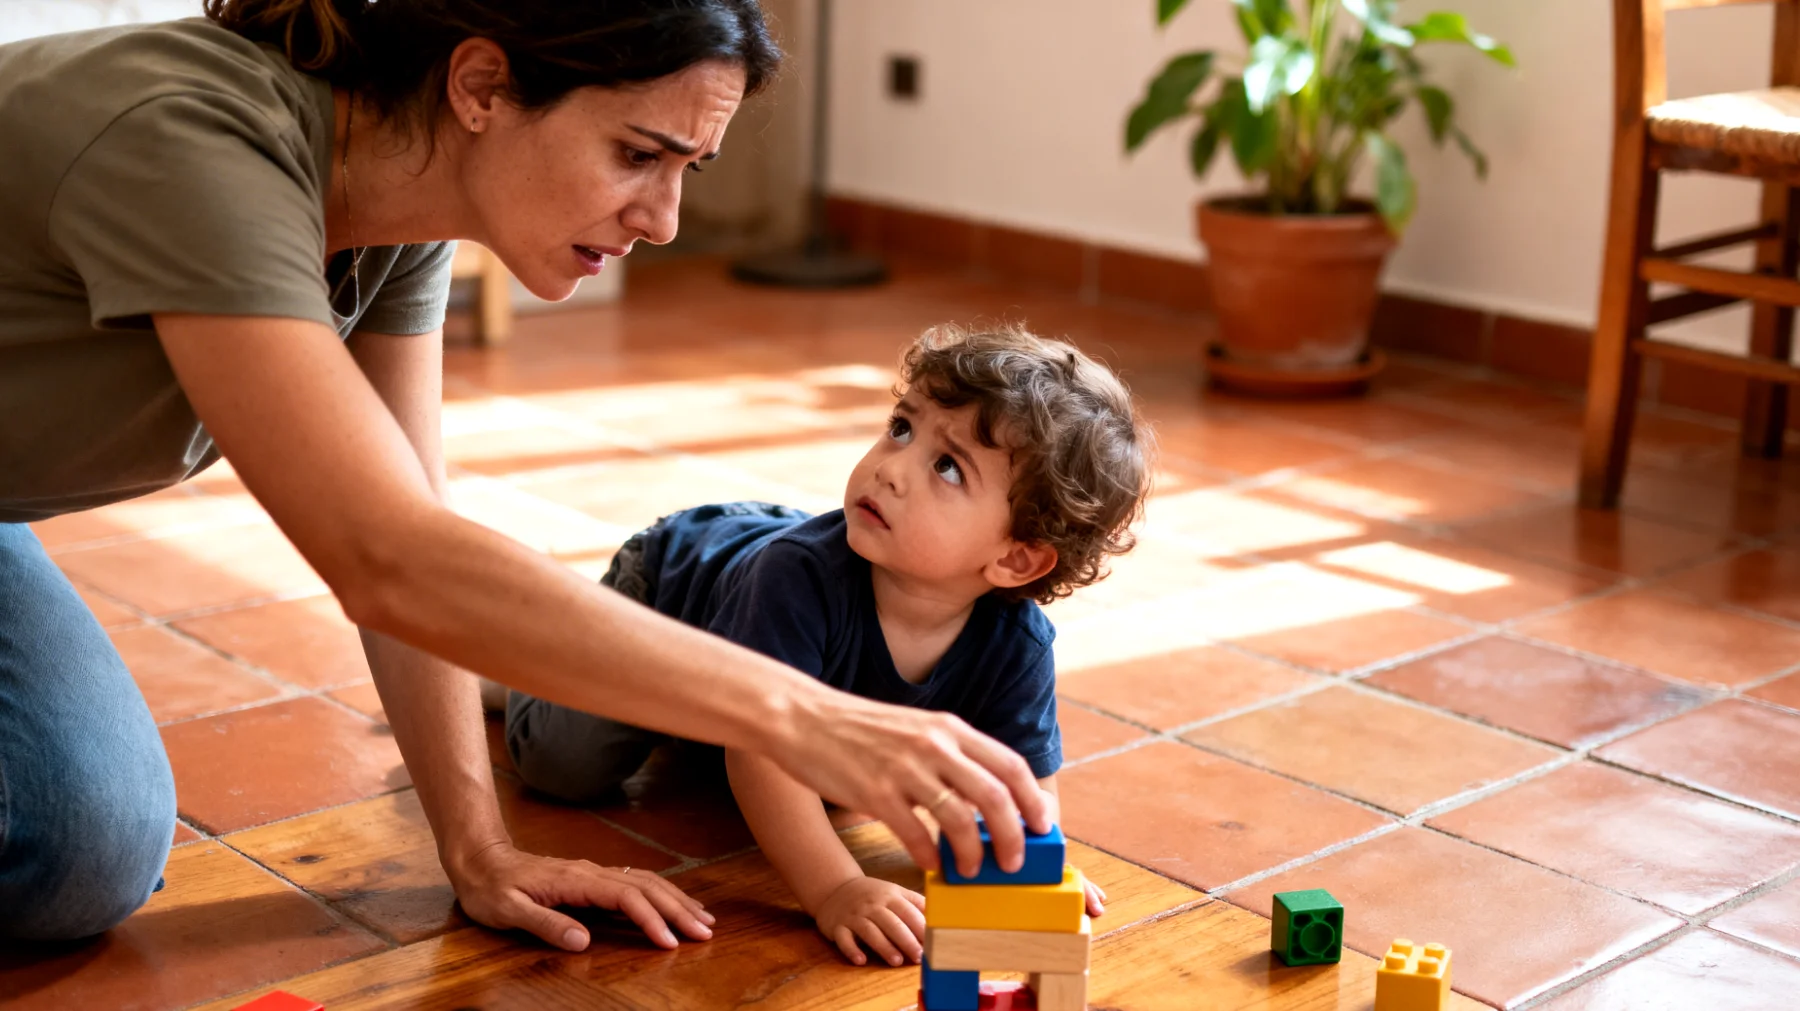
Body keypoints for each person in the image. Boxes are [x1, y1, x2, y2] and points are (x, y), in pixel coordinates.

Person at [0, 0, 1053, 948]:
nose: (664, 218)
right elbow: (389, 560)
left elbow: (412, 526)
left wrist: (480, 851)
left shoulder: (393, 213)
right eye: (639, 153)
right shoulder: (193, 146)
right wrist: (801, 714)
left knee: (84, 851)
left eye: (689, 168)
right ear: (481, 88)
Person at [503, 324, 1153, 967]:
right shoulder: (795, 577)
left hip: (756, 671)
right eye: (902, 427)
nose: (891, 467)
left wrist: (1035, 863)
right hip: (668, 593)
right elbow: (760, 748)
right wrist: (836, 888)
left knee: (812, 780)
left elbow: (1020, 778)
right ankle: (520, 659)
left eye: (947, 467)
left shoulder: (1017, 642)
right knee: (561, 763)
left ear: (1015, 559)